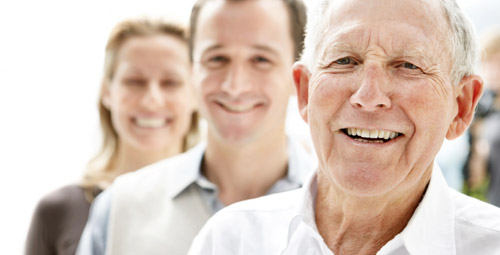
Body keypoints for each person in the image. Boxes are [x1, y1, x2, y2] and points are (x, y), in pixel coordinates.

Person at [189, 0, 500, 254]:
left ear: (461, 106)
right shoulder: (231, 241)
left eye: (408, 66)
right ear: (304, 92)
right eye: (344, 61)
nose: (368, 96)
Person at [76, 0, 312, 254]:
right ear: (191, 71)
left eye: (261, 59)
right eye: (217, 58)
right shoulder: (119, 209)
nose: (235, 85)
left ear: (297, 77)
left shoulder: (347, 212)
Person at [25, 18, 199, 255]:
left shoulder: (230, 204)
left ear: (197, 93)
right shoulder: (59, 210)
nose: (152, 99)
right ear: (107, 91)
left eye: (171, 82)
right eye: (134, 81)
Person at [468, 27, 500, 206]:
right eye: (487, 64)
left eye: (498, 62)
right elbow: (477, 178)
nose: (493, 71)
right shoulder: (486, 113)